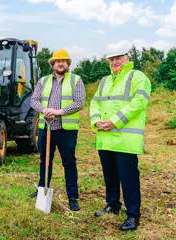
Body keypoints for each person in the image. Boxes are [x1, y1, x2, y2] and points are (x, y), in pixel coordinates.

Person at [89, 48, 151, 231]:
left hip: (125, 139)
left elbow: (138, 103)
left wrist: (114, 122)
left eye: (118, 58)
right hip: (106, 138)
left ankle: (133, 215)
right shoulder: (105, 81)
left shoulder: (137, 77)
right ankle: (113, 205)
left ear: (127, 58)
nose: (114, 62)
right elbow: (95, 103)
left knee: (128, 178)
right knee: (110, 175)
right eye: (111, 59)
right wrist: (96, 121)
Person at [29, 48, 86, 211]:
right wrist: (44, 110)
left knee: (69, 162)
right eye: (57, 61)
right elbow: (34, 100)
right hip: (45, 128)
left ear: (67, 64)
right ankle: (42, 190)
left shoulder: (76, 80)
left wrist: (59, 112)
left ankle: (73, 197)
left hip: (66, 129)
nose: (60, 63)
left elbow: (79, 102)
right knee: (44, 160)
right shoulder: (43, 81)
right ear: (53, 64)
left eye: (64, 61)